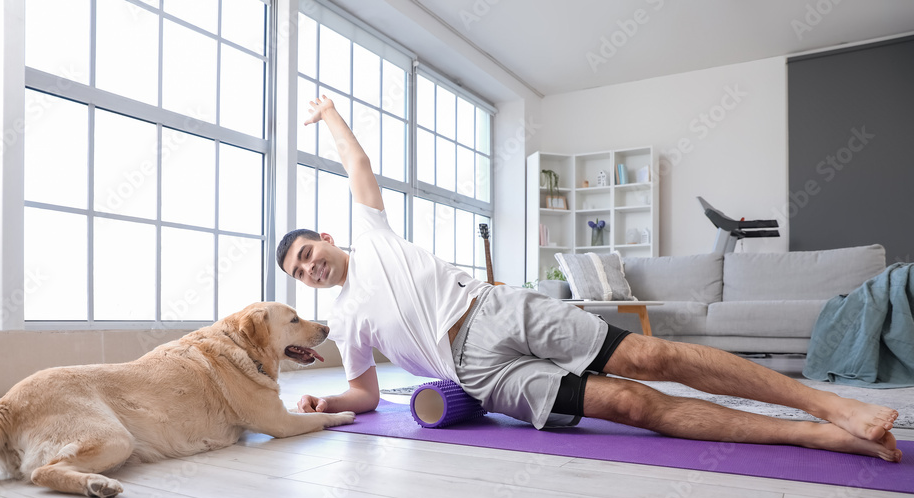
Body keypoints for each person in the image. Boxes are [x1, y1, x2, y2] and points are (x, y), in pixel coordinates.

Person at [278, 95, 901, 462]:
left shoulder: (376, 233)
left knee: (650, 356)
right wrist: (326, 401)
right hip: (480, 376)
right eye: (298, 271)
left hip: (497, 311)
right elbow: (362, 394)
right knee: (630, 402)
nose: (309, 266)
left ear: (327, 239)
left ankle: (828, 402)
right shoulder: (347, 322)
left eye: (307, 251)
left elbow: (356, 161)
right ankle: (819, 436)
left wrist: (330, 114)